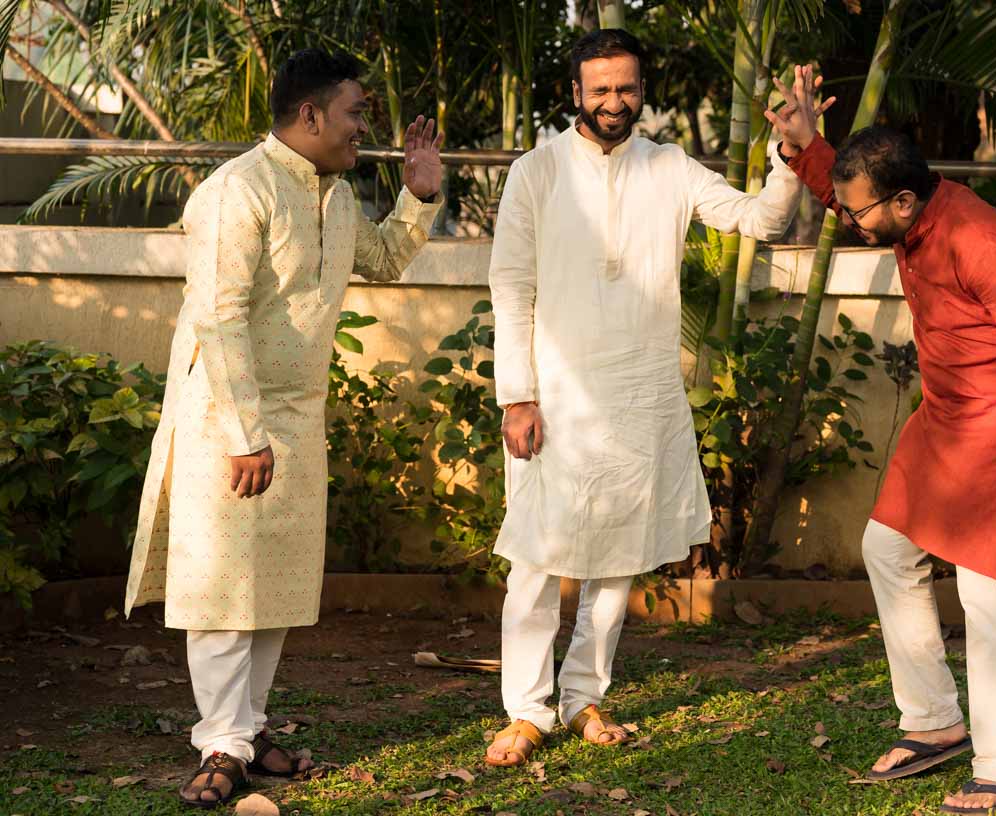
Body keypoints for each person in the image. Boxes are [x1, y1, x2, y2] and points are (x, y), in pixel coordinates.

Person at [122, 48, 444, 807]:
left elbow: (383, 260)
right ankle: (221, 742)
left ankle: (247, 728)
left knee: (273, 585)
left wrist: (419, 196)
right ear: (310, 114)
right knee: (222, 587)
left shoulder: (335, 195)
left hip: (298, 417)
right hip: (226, 418)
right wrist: (245, 434)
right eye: (355, 113)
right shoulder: (238, 190)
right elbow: (218, 315)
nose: (363, 127)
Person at [483, 28, 804, 766]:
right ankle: (526, 711)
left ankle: (583, 698)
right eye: (599, 89)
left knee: (617, 557)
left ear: (641, 90)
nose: (613, 101)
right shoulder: (536, 171)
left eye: (625, 88)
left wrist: (787, 156)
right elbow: (511, 286)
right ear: (574, 93)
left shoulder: (669, 167)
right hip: (553, 397)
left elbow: (760, 219)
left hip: (639, 394)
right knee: (534, 558)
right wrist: (517, 395)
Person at [765, 66, 996, 814]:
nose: (846, 219)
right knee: (887, 549)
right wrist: (807, 146)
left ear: (903, 201)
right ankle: (934, 721)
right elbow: (844, 193)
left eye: (857, 211)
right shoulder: (903, 210)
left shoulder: (982, 240)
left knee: (985, 589)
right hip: (942, 418)